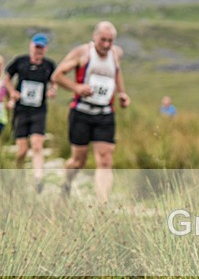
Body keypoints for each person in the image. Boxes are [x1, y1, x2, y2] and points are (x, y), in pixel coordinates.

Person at [51, 21, 130, 203]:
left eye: (110, 41)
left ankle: (102, 204)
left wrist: (122, 93)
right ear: (95, 37)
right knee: (78, 161)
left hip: (105, 113)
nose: (106, 45)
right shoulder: (83, 52)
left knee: (105, 159)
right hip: (81, 113)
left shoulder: (116, 54)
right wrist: (76, 87)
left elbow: (116, 72)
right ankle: (67, 183)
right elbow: (57, 75)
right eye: (103, 40)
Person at [3, 34, 57, 193]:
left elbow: (55, 81)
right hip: (21, 110)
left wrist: (53, 90)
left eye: (42, 48)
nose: (38, 50)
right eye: (36, 47)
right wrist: (12, 92)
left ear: (45, 49)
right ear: (31, 46)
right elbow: (6, 78)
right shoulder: (20, 61)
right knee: (22, 150)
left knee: (37, 145)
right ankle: (18, 171)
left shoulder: (49, 65)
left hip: (39, 110)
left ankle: (38, 179)